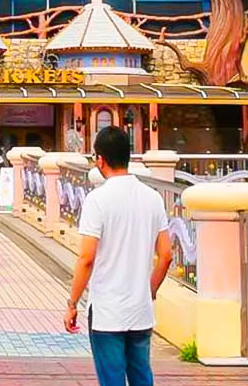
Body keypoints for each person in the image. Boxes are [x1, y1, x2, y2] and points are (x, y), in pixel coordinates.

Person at [66, 126, 171, 386]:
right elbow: (166, 255)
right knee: (141, 377)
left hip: (107, 311)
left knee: (112, 380)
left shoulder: (97, 200)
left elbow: (86, 258)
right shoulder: (153, 198)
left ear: (100, 159)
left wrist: (72, 303)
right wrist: (150, 290)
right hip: (140, 309)